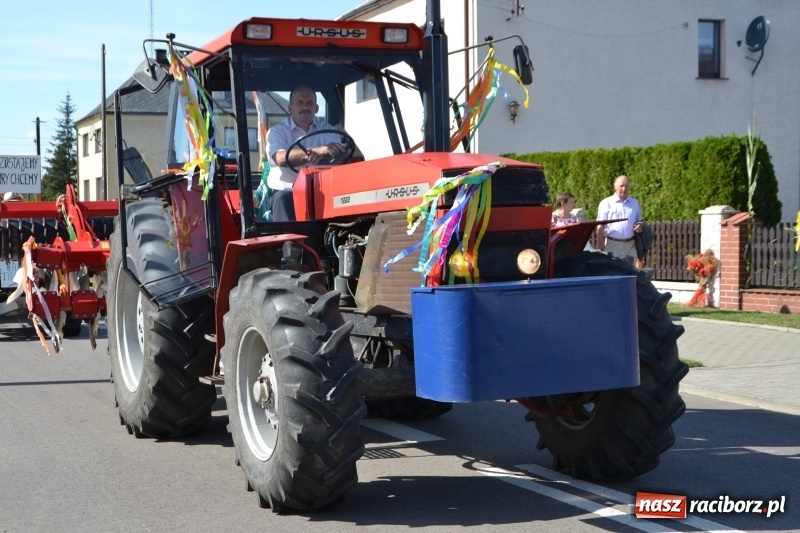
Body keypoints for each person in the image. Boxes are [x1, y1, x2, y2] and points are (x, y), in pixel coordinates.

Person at [266, 84, 345, 221]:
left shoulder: (328, 130)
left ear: (316, 108)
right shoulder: (277, 132)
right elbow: (280, 157)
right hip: (287, 193)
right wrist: (316, 152)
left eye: (309, 103)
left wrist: (328, 154)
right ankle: (290, 242)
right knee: (282, 200)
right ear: (290, 108)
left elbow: (339, 151)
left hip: (320, 192)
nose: (305, 107)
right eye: (300, 103)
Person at [595, 175, 642, 264]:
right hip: (613, 244)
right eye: (621, 186)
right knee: (614, 272)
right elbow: (600, 226)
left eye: (626, 186)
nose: (624, 189)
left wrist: (640, 227)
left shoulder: (634, 203)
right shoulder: (606, 203)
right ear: (615, 187)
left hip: (631, 245)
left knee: (632, 272)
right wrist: (600, 247)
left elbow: (639, 221)